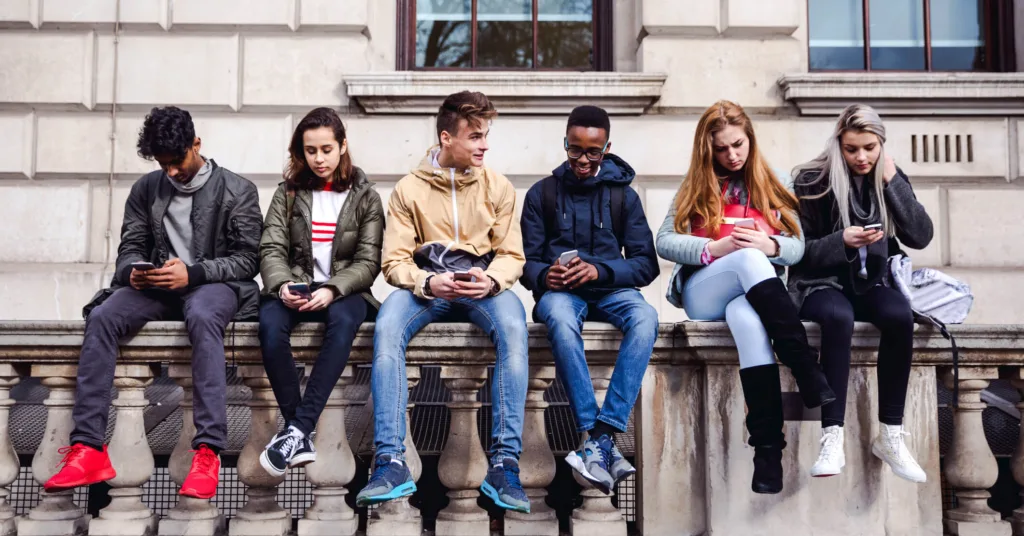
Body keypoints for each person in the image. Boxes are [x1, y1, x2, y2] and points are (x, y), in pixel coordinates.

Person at [44, 106, 263, 499]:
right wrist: (132, 272)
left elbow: (248, 260)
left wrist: (193, 274)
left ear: (197, 144)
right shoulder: (147, 189)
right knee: (104, 316)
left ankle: (208, 451)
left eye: (177, 161)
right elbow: (130, 247)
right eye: (163, 164)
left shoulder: (238, 190)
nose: (172, 172)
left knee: (202, 314)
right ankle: (89, 448)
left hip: (212, 287)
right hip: (158, 289)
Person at [355, 91, 531, 513]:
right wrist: (428, 282)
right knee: (387, 327)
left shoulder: (499, 187)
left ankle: (505, 464)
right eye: (475, 136)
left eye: (486, 135)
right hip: (425, 290)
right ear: (447, 137)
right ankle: (390, 461)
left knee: (513, 327)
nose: (484, 145)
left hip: (481, 289)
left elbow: (512, 255)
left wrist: (488, 280)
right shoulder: (408, 189)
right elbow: (393, 261)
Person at [655, 100, 835, 494]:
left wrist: (770, 244)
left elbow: (798, 247)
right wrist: (715, 249)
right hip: (705, 290)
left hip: (751, 294)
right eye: (721, 148)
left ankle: (768, 451)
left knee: (749, 321)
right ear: (708, 149)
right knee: (748, 260)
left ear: (750, 139)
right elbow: (664, 241)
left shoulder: (775, 182)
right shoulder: (697, 184)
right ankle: (805, 367)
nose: (732, 155)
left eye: (738, 144)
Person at [519, 105, 659, 494]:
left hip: (613, 291)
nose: (582, 159)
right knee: (561, 322)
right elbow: (524, 262)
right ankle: (593, 435)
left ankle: (603, 434)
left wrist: (601, 271)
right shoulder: (541, 194)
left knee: (646, 318)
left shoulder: (624, 197)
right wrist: (545, 275)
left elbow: (647, 265)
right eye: (575, 149)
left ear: (606, 148)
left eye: (592, 152)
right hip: (561, 294)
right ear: (565, 144)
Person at [790, 104, 933, 482]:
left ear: (881, 144)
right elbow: (798, 251)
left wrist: (893, 182)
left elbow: (920, 235)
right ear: (839, 144)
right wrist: (843, 241)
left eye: (869, 147)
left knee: (900, 316)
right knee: (839, 317)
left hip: (871, 283)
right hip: (819, 284)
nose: (861, 157)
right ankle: (831, 436)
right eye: (852, 148)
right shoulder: (811, 181)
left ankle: (890, 434)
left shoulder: (888, 177)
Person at [257, 107, 383, 476]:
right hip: (295, 286)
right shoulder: (289, 194)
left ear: (343, 146)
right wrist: (281, 287)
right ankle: (299, 430)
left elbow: (368, 261)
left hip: (345, 293)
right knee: (268, 326)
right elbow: (271, 248)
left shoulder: (366, 197)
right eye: (310, 151)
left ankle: (297, 428)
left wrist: (332, 289)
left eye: (326, 149)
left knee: (343, 324)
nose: (319, 158)